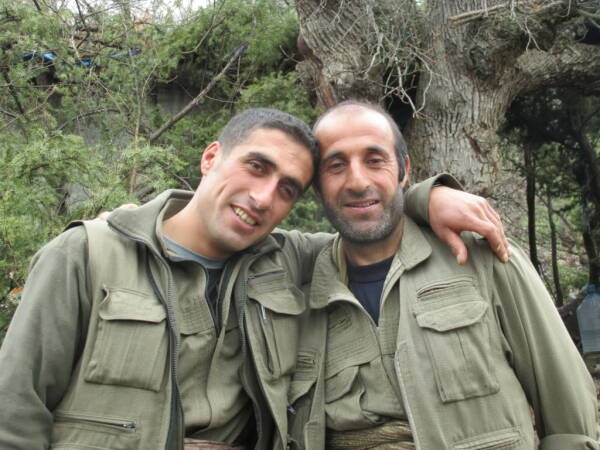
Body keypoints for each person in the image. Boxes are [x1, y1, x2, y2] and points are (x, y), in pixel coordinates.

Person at [0, 108, 508, 450]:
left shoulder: (290, 261)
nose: (264, 198)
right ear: (210, 157)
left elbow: (368, 220)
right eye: (256, 167)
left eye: (287, 189)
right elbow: (14, 416)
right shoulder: (88, 254)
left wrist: (427, 198)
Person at [287, 101, 599, 450]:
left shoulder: (485, 257)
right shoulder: (300, 288)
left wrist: (426, 196)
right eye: (335, 166)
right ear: (316, 186)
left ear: (404, 170)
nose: (358, 182)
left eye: (375, 160)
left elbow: (568, 410)